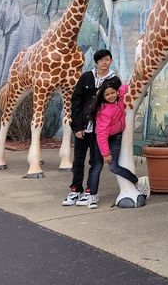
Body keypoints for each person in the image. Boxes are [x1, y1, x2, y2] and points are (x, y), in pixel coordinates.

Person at [62, 48, 114, 208]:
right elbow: (75, 102)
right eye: (102, 60)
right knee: (78, 160)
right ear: (96, 62)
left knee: (95, 161)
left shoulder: (113, 80)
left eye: (107, 59)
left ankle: (91, 192)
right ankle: (75, 189)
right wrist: (77, 126)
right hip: (83, 127)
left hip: (99, 129)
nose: (105, 62)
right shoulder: (86, 77)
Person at [93, 76, 150, 205]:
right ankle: (137, 181)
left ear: (117, 92)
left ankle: (137, 182)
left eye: (113, 92)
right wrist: (105, 153)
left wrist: (136, 89)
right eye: (107, 94)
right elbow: (101, 134)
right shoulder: (105, 111)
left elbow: (125, 88)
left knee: (113, 166)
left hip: (118, 136)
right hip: (108, 139)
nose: (111, 96)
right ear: (103, 96)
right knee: (113, 167)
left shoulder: (119, 99)